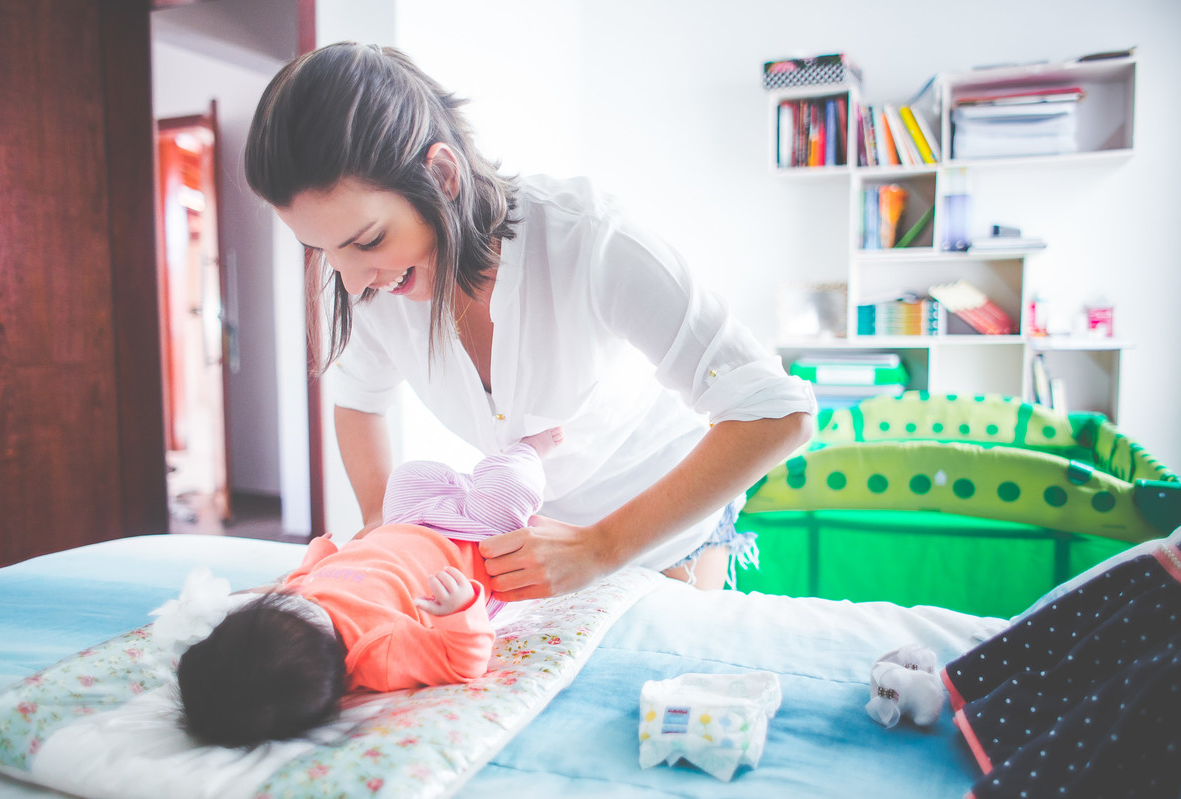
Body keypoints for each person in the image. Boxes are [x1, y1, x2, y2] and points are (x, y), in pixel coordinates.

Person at [244, 42, 816, 602]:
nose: (349, 281)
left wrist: (602, 547)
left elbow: (779, 414)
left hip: (662, 529)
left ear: (443, 176)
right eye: (321, 251)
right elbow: (360, 401)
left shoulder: (590, 240)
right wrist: (379, 523)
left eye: (367, 240)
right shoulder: (372, 278)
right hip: (537, 540)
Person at [172, 429, 561, 748]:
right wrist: (461, 611)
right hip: (474, 549)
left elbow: (303, 582)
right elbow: (462, 661)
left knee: (408, 475)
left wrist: (317, 558)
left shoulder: (294, 610)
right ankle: (529, 451)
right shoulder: (379, 652)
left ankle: (464, 488)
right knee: (509, 487)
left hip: (405, 523)